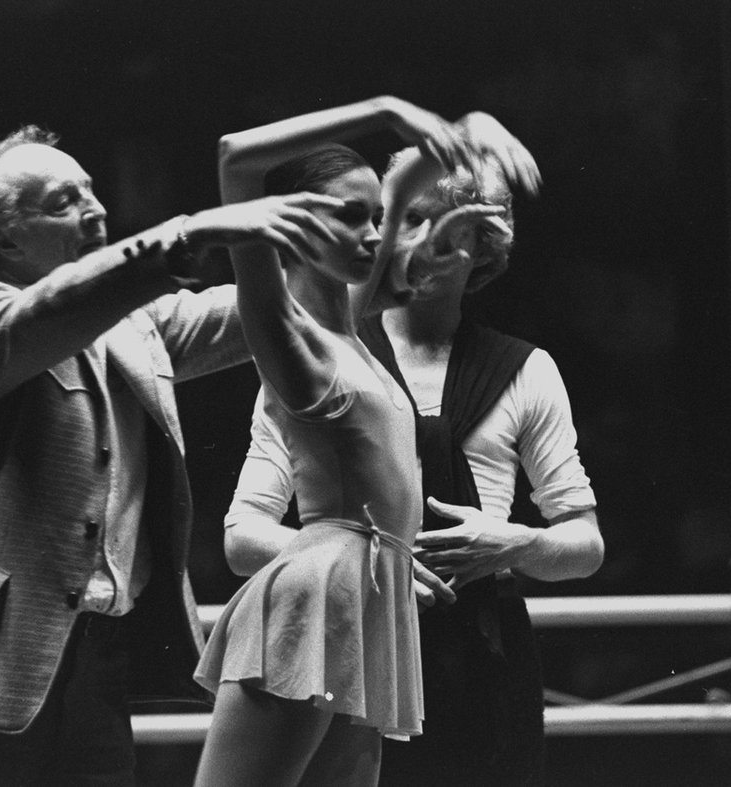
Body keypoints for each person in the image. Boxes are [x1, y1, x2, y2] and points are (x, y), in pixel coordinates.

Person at [0, 124, 340, 786]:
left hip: (99, 667)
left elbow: (271, 310)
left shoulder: (138, 324)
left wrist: (384, 248)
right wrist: (189, 234)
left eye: (90, 189)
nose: (93, 207)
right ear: (8, 238)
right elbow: (33, 328)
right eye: (63, 199)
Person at [224, 116, 603, 786]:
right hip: (352, 636)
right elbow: (244, 531)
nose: (420, 246)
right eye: (408, 222)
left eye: (450, 234)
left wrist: (512, 542)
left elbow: (584, 542)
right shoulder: (327, 356)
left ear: (481, 249)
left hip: (480, 653)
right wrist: (371, 564)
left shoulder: (525, 370)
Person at [190, 96, 513, 787]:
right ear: (291, 225)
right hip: (320, 590)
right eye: (347, 215)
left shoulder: (349, 326)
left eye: (371, 218)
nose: (374, 232)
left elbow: (399, 190)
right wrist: (383, 109)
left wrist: (465, 134)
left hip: (370, 595)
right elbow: (234, 158)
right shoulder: (287, 331)